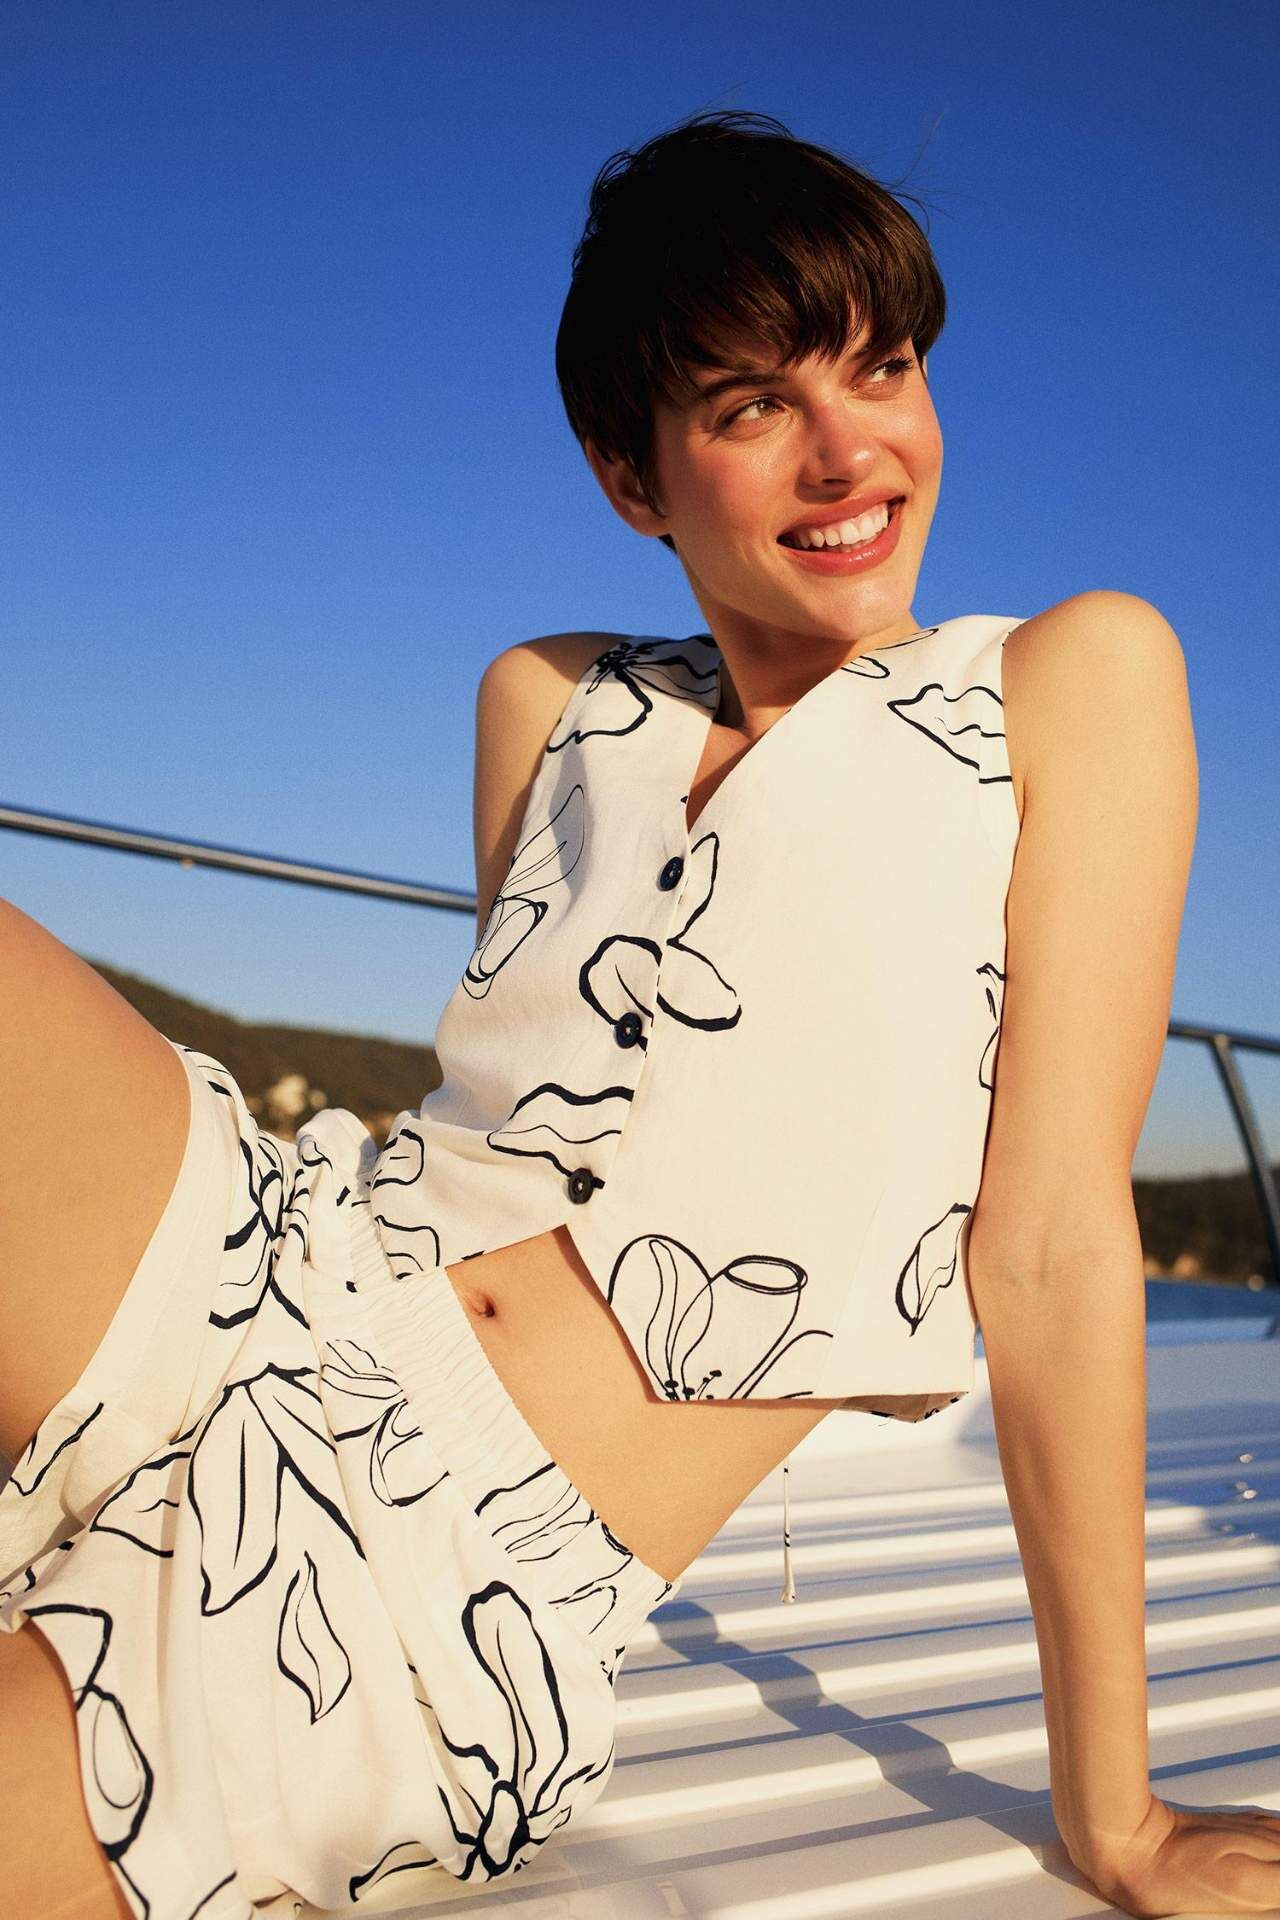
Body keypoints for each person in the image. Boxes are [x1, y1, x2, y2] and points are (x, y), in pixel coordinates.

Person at [0, 105, 1275, 1920]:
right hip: (270, 1259)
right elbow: (530, 1120)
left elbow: (1056, 1242)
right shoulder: (548, 698)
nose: (852, 451)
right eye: (755, 405)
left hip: (451, 1561)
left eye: (884, 368)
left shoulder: (1072, 680)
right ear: (632, 473)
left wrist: (1116, 1812)